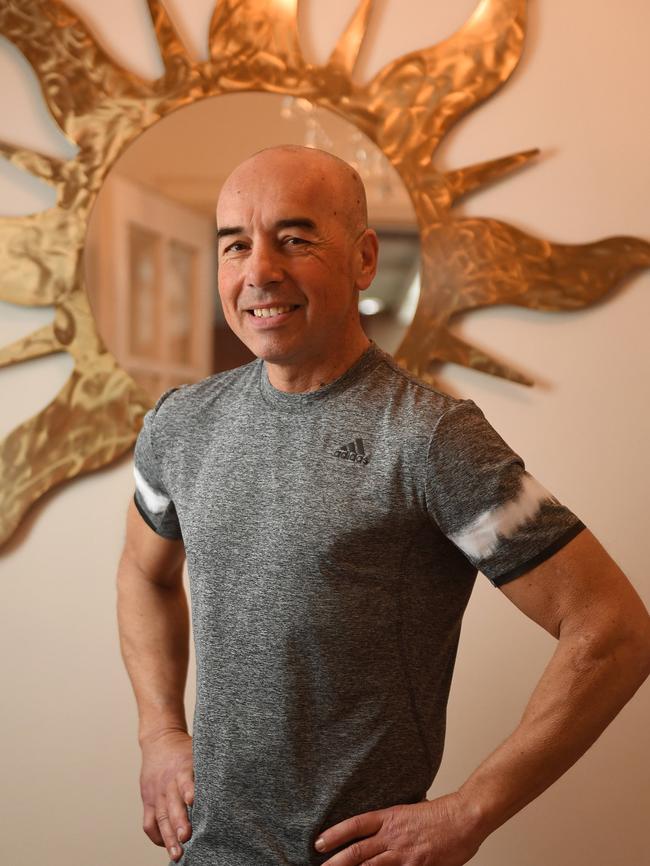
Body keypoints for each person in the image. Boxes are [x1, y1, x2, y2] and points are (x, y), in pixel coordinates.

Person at [116, 145, 650, 866]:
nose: (259, 270)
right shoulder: (180, 425)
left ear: (363, 260)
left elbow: (613, 628)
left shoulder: (432, 439)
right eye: (235, 244)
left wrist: (470, 811)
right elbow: (144, 576)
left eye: (295, 239)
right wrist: (158, 734)